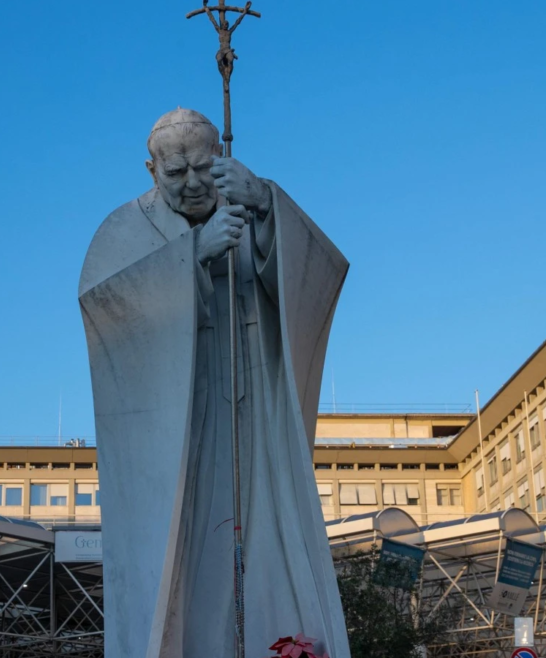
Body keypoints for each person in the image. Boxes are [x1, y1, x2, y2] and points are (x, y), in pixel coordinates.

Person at [79, 108, 350, 658]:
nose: (193, 182)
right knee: (183, 551)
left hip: (255, 413)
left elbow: (321, 271)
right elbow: (107, 313)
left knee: (263, 529)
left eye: (203, 167)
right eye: (175, 173)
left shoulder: (247, 206)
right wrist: (191, 260)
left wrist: (268, 204)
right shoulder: (122, 230)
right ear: (150, 169)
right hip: (172, 423)